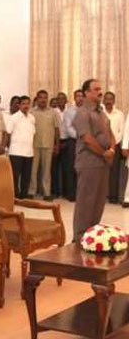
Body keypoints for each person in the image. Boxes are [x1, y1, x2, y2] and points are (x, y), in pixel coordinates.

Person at [72, 79, 115, 242]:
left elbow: (110, 134)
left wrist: (112, 150)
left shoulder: (101, 112)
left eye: (100, 89)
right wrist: (104, 153)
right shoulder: (82, 113)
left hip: (103, 164)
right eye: (96, 89)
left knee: (98, 202)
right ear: (86, 93)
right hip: (88, 163)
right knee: (86, 202)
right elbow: (87, 139)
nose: (100, 92)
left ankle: (91, 238)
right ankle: (78, 240)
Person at [28, 90, 60, 201]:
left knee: (46, 171)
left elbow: (57, 129)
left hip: (48, 144)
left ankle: (46, 193)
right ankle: (31, 191)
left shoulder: (53, 112)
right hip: (34, 144)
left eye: (45, 98)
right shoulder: (31, 112)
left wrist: (57, 144)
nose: (43, 100)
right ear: (37, 99)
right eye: (41, 97)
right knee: (33, 170)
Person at [8, 96, 35, 199]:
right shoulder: (13, 118)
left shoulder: (32, 118)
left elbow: (33, 133)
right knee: (15, 176)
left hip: (29, 151)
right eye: (23, 104)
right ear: (19, 105)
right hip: (16, 151)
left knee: (26, 176)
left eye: (27, 104)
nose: (26, 106)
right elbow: (8, 133)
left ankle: (24, 196)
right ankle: (15, 196)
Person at [60, 89, 84, 201]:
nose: (80, 98)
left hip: (87, 142)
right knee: (71, 168)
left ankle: (82, 194)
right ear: (74, 98)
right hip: (73, 141)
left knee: (83, 168)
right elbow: (68, 127)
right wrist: (80, 136)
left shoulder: (88, 110)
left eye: (81, 96)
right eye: (77, 96)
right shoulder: (69, 111)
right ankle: (71, 194)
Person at [103, 91, 125, 203]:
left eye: (110, 99)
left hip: (115, 146)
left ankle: (113, 196)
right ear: (103, 100)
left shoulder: (119, 114)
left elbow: (122, 131)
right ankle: (101, 197)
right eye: (106, 99)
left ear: (114, 100)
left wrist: (113, 143)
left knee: (114, 172)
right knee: (101, 172)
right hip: (101, 146)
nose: (108, 101)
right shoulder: (100, 113)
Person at [50, 92, 68, 197]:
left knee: (66, 168)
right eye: (59, 99)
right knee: (54, 169)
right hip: (54, 142)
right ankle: (54, 191)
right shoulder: (53, 112)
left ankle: (66, 192)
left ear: (66, 100)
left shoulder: (70, 111)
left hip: (66, 142)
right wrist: (56, 143)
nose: (61, 100)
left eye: (63, 98)